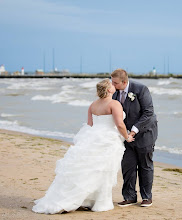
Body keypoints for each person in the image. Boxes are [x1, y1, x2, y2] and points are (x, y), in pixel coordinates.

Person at [32, 79, 134, 214]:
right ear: (109, 90)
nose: (114, 86)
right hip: (108, 140)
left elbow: (90, 124)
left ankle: (87, 200)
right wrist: (127, 137)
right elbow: (120, 124)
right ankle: (99, 202)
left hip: (92, 138)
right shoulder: (114, 104)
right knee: (103, 170)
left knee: (89, 169)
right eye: (111, 84)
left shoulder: (93, 105)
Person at [111, 68, 158, 207]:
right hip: (125, 136)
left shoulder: (141, 89)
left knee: (145, 165)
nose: (112, 85)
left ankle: (146, 197)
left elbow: (148, 113)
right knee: (128, 166)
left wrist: (134, 130)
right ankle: (129, 196)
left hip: (145, 133)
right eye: (111, 82)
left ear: (124, 82)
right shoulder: (114, 93)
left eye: (115, 83)